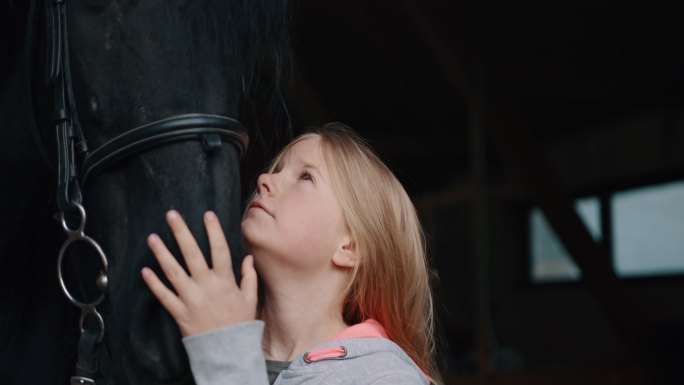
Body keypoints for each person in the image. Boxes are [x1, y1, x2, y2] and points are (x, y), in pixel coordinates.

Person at [141, 123, 440, 385]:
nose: (264, 180)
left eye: (306, 177)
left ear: (349, 247)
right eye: (276, 170)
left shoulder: (384, 377)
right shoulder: (199, 338)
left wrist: (225, 352)